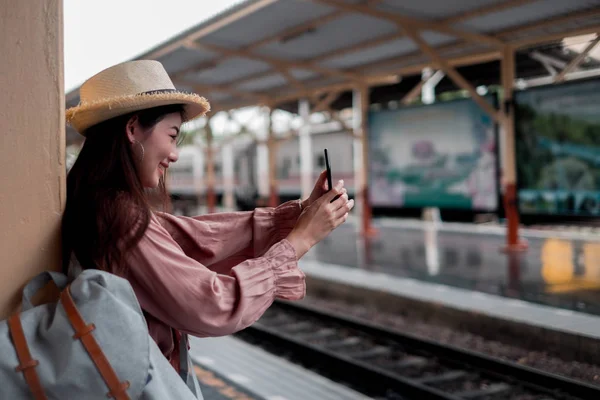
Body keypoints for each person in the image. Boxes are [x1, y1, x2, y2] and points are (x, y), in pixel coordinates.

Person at [62, 61, 353, 378]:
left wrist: (300, 213)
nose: (174, 154)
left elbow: (195, 237)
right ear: (132, 129)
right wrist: (300, 240)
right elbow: (211, 305)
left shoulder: (98, 202)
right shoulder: (117, 215)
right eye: (172, 136)